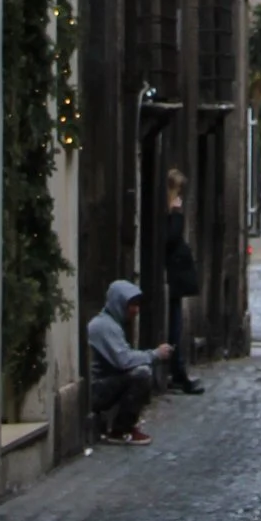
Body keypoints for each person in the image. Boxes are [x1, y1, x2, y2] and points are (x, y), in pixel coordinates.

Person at [86, 277, 167, 442]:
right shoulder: (103, 326)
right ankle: (121, 430)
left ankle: (123, 426)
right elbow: (124, 360)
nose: (136, 310)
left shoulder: (112, 324)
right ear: (119, 303)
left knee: (141, 370)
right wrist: (154, 354)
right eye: (132, 305)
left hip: (102, 384)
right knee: (142, 373)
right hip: (95, 389)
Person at [162, 175, 202, 395]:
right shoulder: (171, 212)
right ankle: (176, 372)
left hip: (176, 277)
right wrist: (176, 214)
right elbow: (171, 237)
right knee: (174, 326)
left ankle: (177, 370)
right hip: (173, 276)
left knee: (176, 325)